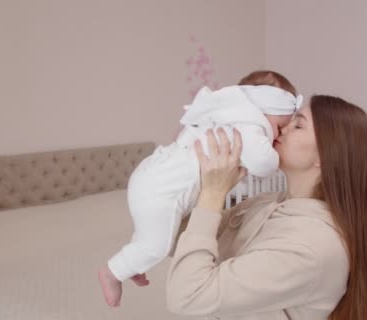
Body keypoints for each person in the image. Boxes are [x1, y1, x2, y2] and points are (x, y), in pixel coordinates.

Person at [166, 95, 367, 320]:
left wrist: (213, 193)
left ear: (326, 155)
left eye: (298, 125)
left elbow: (187, 295)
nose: (281, 128)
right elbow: (185, 238)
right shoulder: (267, 203)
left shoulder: (312, 248)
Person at [98, 71, 302, 307]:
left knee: (159, 234)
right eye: (280, 127)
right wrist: (275, 157)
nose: (279, 134)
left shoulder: (230, 117)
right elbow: (262, 162)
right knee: (156, 246)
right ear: (266, 106)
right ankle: (112, 271)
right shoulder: (249, 123)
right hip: (161, 188)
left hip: (154, 176)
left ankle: (136, 261)